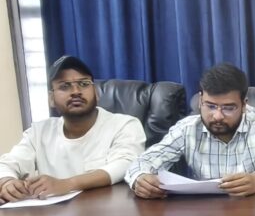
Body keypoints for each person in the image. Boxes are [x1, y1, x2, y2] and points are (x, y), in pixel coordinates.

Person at [125, 63, 255, 198]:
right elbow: (144, 160)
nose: (218, 116)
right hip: (204, 212)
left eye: (228, 108)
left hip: (253, 207)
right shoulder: (188, 128)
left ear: (244, 105)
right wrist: (140, 178)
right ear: (200, 101)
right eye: (210, 106)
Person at [0, 55, 146, 202]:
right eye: (64, 86)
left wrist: (66, 184)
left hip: (107, 211)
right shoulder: (38, 132)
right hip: (53, 214)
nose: (76, 91)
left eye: (83, 84)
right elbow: (8, 163)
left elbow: (125, 165)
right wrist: (7, 182)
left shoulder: (124, 124)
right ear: (51, 99)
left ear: (96, 93)